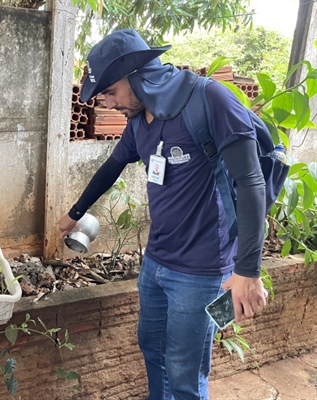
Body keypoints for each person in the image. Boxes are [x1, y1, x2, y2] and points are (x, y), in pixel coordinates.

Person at [58, 29, 268, 399]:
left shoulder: (208, 99)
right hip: (156, 264)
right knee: (152, 348)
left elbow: (251, 182)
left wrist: (247, 270)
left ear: (136, 74)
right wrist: (75, 212)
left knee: (185, 372)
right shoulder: (140, 120)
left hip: (202, 271)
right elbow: (113, 165)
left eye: (109, 92)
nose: (107, 104)